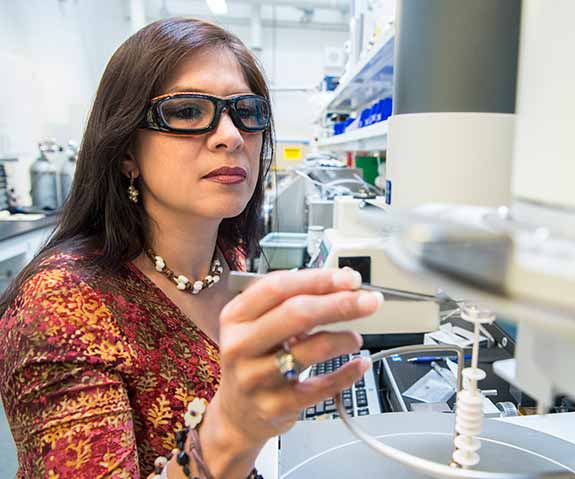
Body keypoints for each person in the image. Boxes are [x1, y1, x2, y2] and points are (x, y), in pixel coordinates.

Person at [0, 17, 383, 479]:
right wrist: (231, 435)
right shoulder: (62, 306)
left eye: (247, 111)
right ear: (125, 152)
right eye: (185, 112)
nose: (232, 136)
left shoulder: (226, 256)